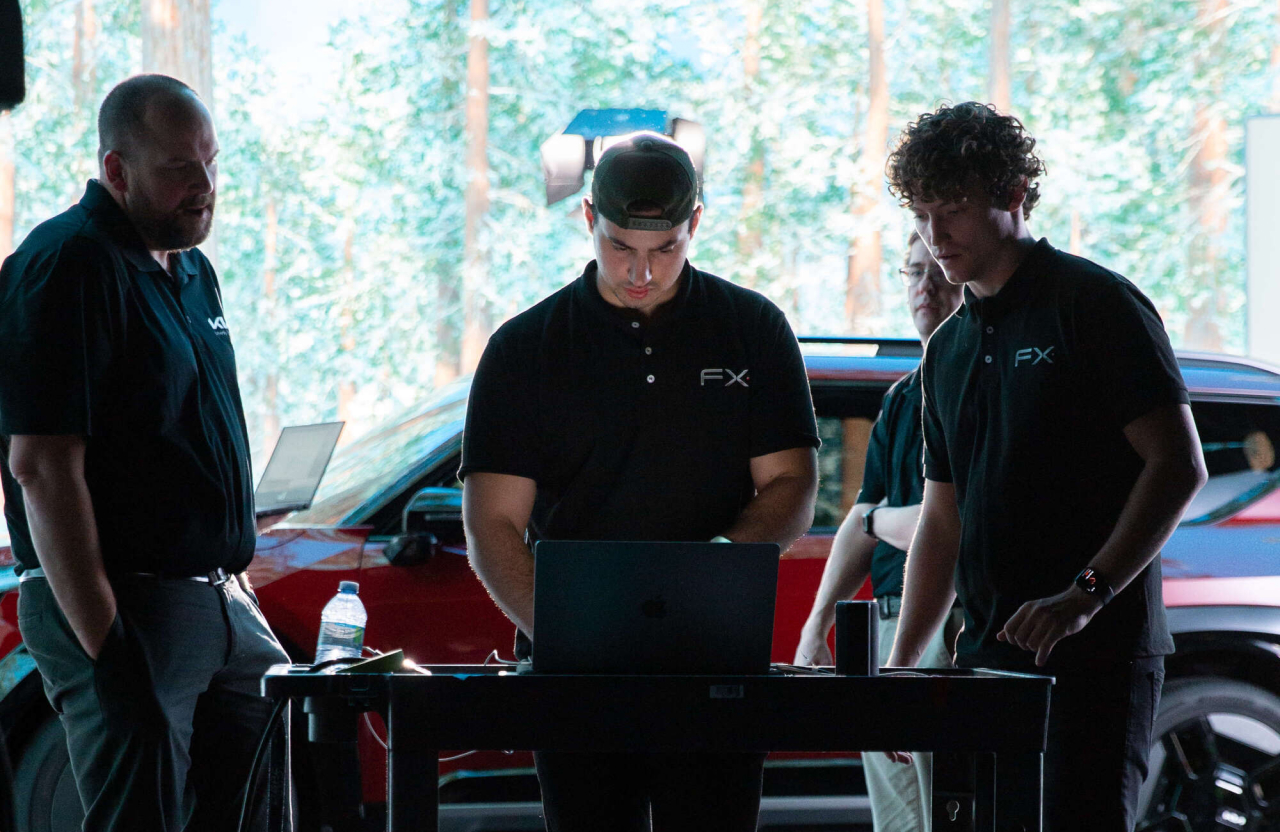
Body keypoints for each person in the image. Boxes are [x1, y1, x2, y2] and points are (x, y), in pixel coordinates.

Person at [459, 132, 820, 832]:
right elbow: (492, 524)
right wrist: (566, 638)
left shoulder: (752, 329)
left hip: (716, 662)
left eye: (665, 250)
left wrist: (716, 570)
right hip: (573, 678)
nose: (642, 273)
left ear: (696, 224)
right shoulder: (525, 349)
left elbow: (791, 485)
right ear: (588, 219)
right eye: (622, 247)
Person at [882, 102, 1207, 831]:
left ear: (1013, 196)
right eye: (924, 214)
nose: (937, 236)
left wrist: (1085, 593)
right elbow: (943, 517)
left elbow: (1178, 465)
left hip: (1095, 657)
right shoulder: (947, 349)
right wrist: (904, 669)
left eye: (956, 210)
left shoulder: (1093, 303)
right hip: (985, 656)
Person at [0, 75, 290, 832]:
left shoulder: (190, 268)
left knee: (265, 788)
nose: (204, 189)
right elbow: (41, 467)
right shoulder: (68, 266)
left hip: (219, 600)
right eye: (179, 170)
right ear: (117, 171)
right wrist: (110, 651)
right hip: (124, 602)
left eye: (212, 165)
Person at [794, 230, 962, 831]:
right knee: (897, 821)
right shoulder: (901, 397)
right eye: (912, 272)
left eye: (938, 270)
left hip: (944, 624)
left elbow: (937, 527)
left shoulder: (975, 383)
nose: (925, 286)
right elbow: (859, 523)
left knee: (948, 807)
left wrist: (874, 519)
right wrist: (816, 624)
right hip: (885, 622)